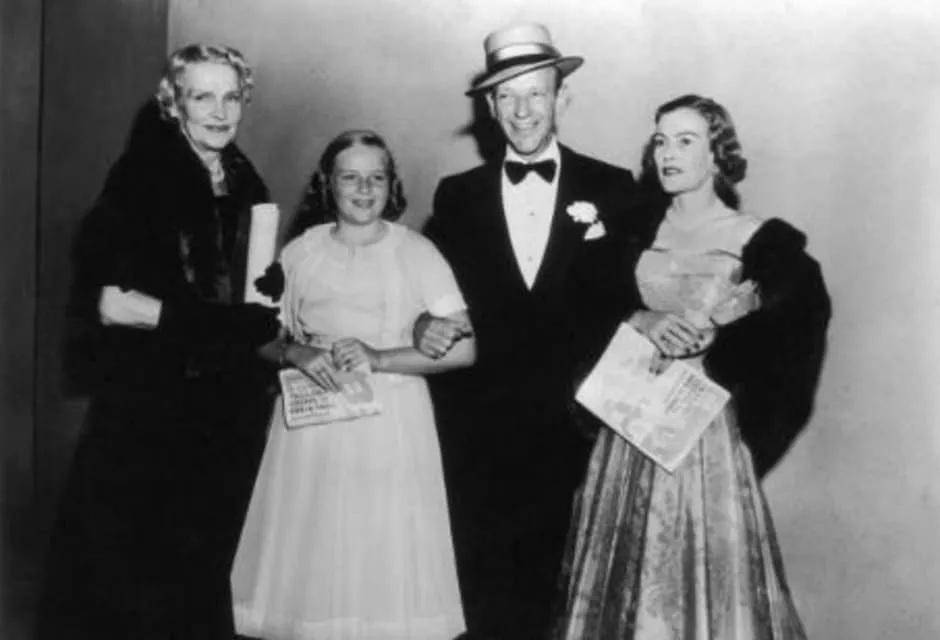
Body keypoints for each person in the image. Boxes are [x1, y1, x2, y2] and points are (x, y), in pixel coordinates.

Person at [553, 94, 830, 639]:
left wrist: (723, 341)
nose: (668, 153)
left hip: (706, 432)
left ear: (717, 155)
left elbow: (790, 341)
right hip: (630, 423)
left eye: (685, 141)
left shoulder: (760, 240)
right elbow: (578, 311)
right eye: (661, 141)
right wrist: (638, 318)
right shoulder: (629, 231)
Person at [36, 44, 281, 640]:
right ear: (174, 104)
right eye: (202, 96)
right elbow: (112, 303)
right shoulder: (141, 178)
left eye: (231, 96)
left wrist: (265, 306)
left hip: (220, 410)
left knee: (202, 567)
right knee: (135, 576)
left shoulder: (244, 179)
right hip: (148, 409)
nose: (219, 111)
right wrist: (217, 325)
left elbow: (246, 298)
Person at [417, 23, 638, 640]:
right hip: (482, 429)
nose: (522, 110)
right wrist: (423, 320)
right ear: (489, 108)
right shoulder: (457, 196)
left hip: (580, 425)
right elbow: (429, 293)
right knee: (485, 589)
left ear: (561, 96)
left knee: (572, 593)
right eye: (507, 96)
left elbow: (636, 296)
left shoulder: (614, 188)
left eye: (536, 93)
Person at [231, 130, 473, 640]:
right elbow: (258, 338)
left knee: (381, 560)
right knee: (313, 566)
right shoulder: (300, 252)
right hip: (311, 430)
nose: (364, 190)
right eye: (350, 177)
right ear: (328, 184)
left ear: (391, 184)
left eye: (376, 178)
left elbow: (464, 349)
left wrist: (380, 357)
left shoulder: (418, 252)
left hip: (391, 428)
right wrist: (295, 351)